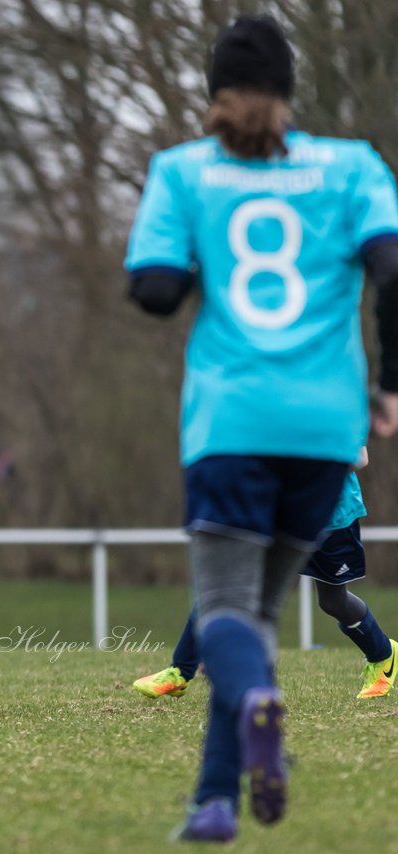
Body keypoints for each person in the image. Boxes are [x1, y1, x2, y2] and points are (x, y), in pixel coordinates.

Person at [125, 15, 398, 843]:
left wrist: (200, 251)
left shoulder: (184, 171)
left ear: (216, 93)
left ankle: (254, 714)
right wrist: (388, 383)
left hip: (231, 421)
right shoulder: (352, 168)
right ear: (290, 89)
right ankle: (214, 802)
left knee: (227, 614)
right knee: (253, 617)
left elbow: (156, 290)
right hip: (325, 425)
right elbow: (393, 271)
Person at [135, 465, 398, 702]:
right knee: (229, 586)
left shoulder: (338, 410)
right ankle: (180, 671)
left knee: (333, 601)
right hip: (274, 510)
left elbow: (360, 458)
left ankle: (383, 654)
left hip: (331, 514)